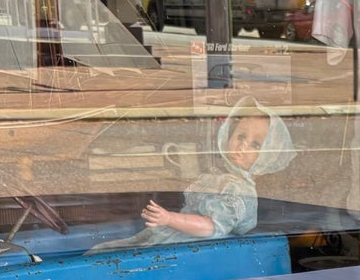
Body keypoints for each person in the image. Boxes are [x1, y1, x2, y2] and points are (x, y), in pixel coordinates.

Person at [90, 97, 295, 251]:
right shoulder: (222, 177)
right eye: (240, 135)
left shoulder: (237, 189)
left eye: (256, 144)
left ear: (269, 155)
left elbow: (211, 227)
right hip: (182, 237)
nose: (242, 145)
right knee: (108, 251)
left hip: (196, 247)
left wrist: (169, 218)